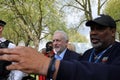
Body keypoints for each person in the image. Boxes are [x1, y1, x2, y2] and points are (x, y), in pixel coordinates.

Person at [0, 14, 120, 80]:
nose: (93, 32)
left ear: (113, 31)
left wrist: (48, 65)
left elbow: (111, 74)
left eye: (100, 28)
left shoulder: (117, 51)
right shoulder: (88, 54)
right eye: (92, 29)